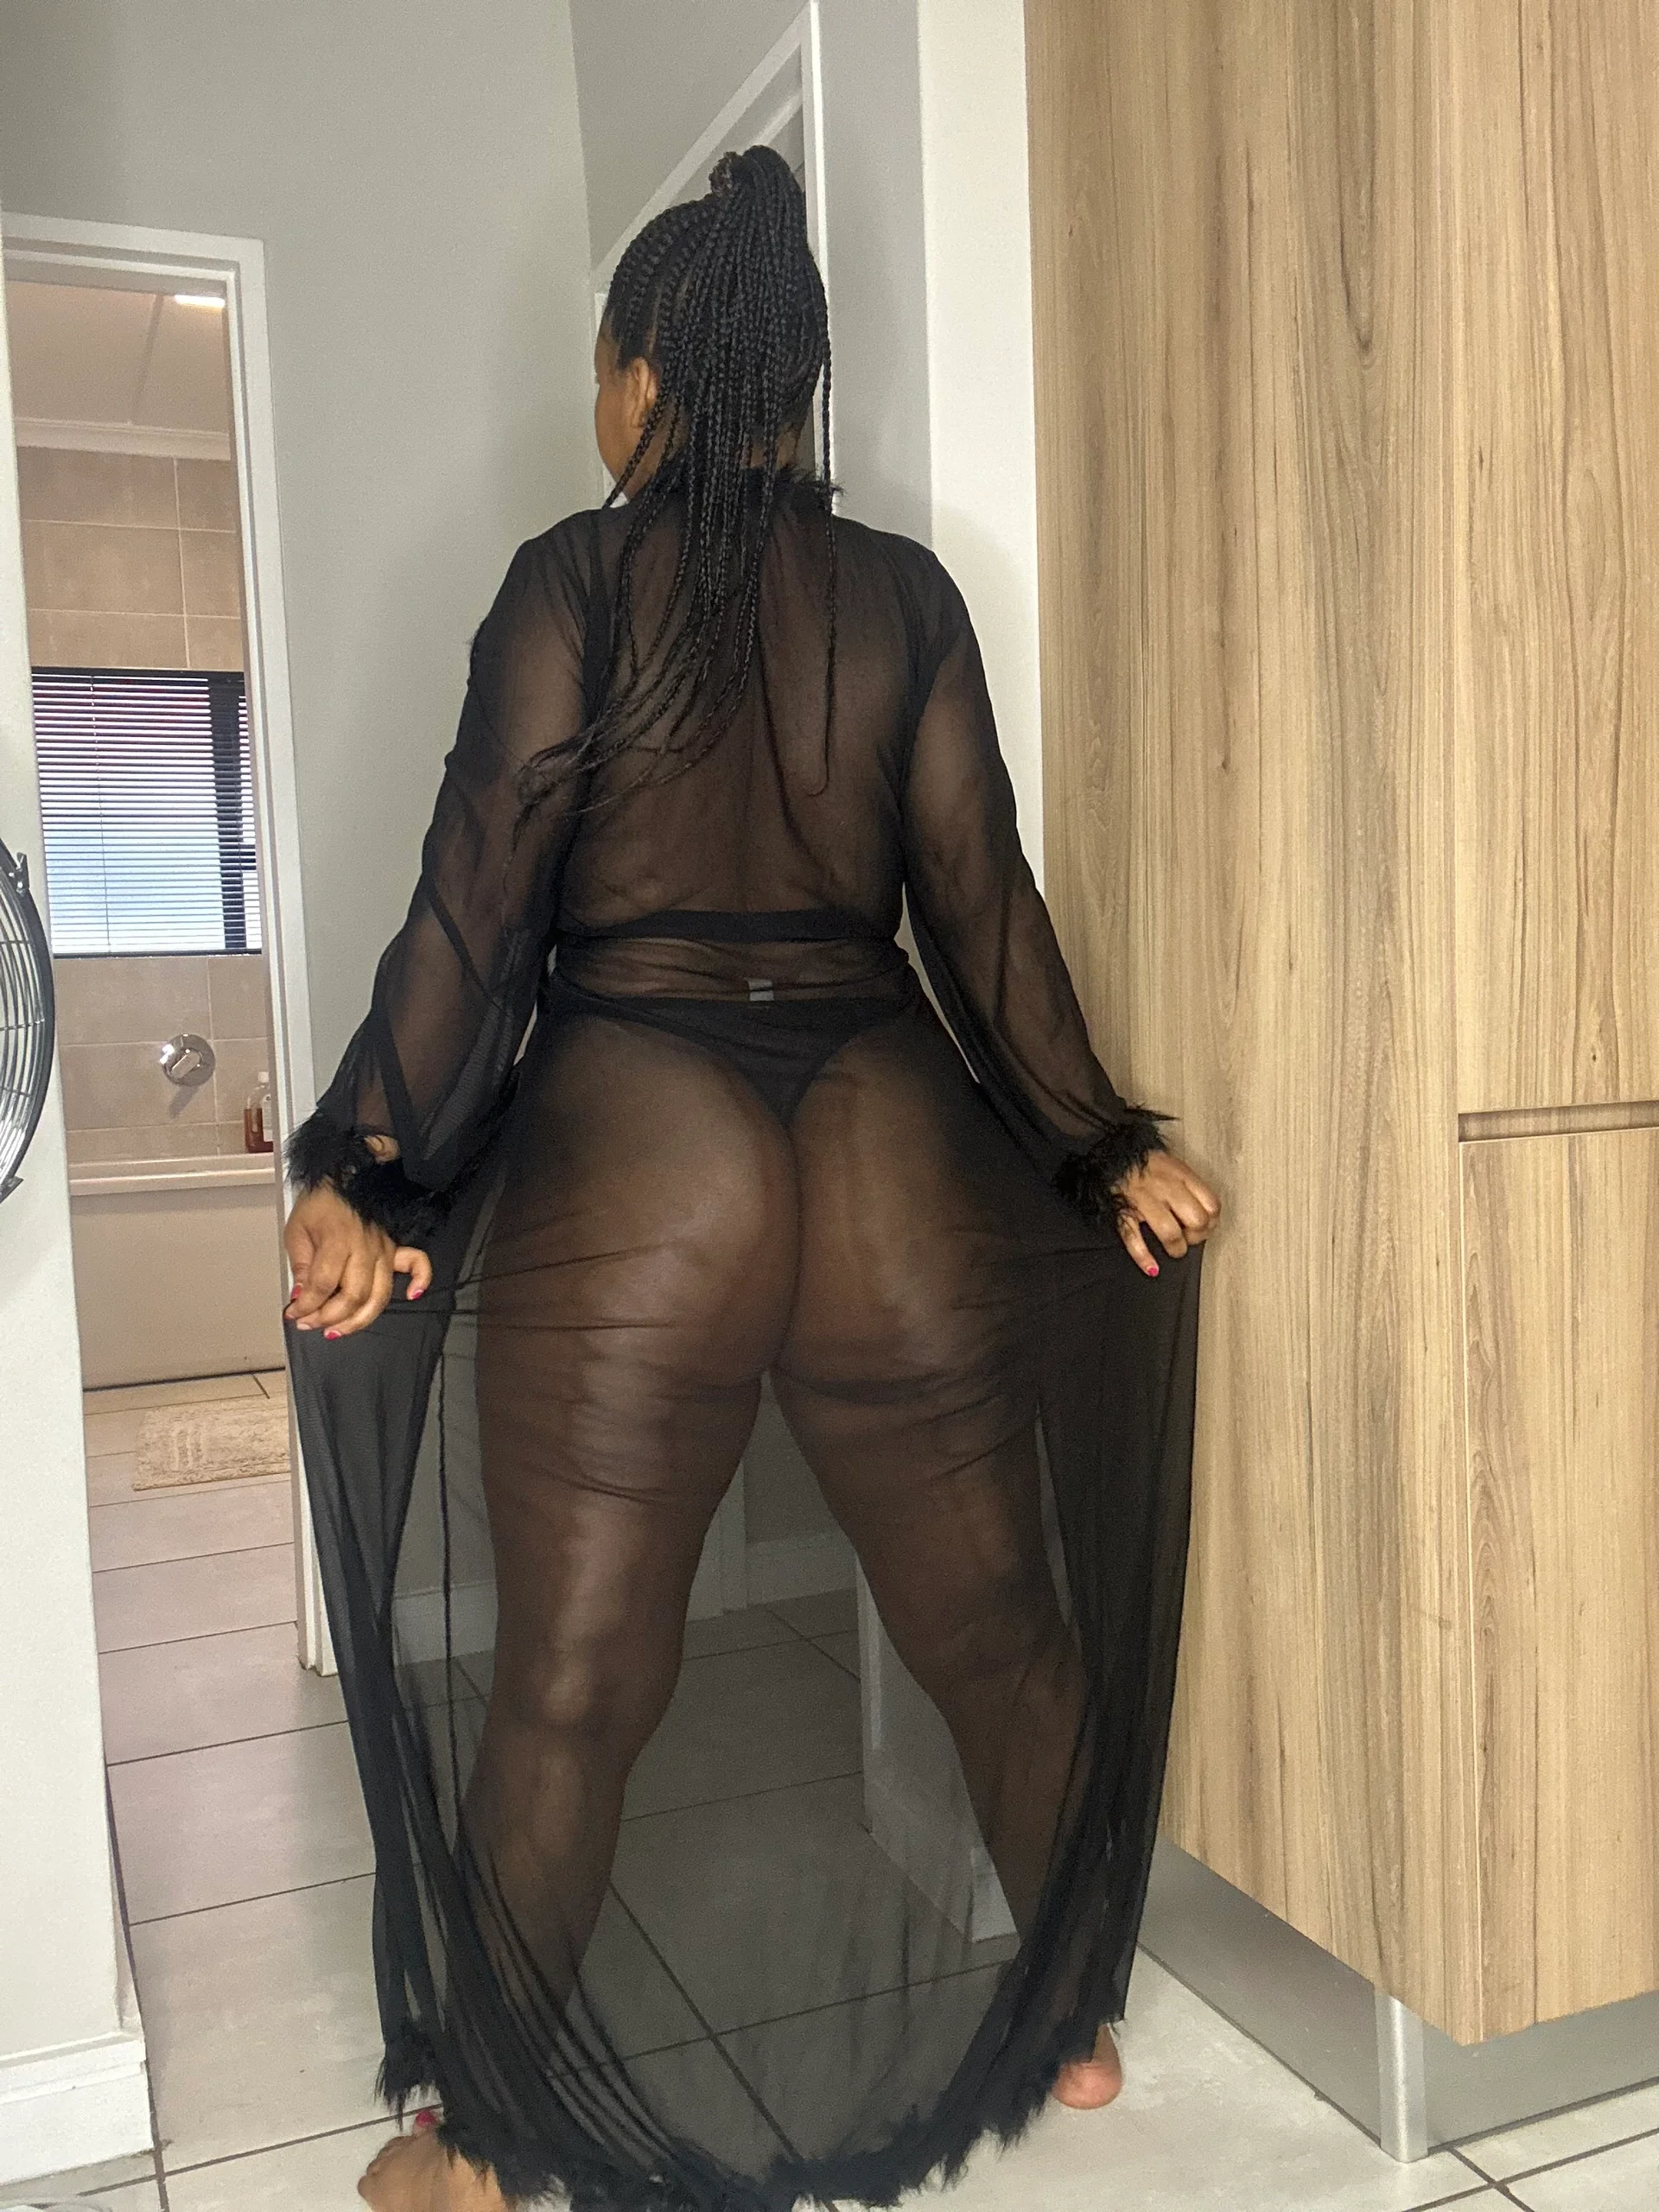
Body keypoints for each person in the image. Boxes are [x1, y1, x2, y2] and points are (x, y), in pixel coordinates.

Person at [282, 145, 1217, 2212]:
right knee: (1001, 1621)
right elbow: (981, 912)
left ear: (643, 381)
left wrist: (365, 1159)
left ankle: (484, 2151)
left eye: (598, 372)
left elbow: (477, 906)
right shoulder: (903, 598)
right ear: (796, 390)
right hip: (882, 1124)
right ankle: (1071, 2015)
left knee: (576, 1678)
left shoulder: (573, 584)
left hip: (649, 1139)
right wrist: (1100, 1143)